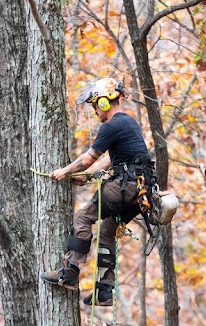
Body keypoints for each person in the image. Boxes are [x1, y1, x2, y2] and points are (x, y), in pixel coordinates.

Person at [39, 78, 154, 306]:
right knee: (107, 229)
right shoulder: (128, 124)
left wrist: (66, 171)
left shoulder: (110, 126)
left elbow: (89, 157)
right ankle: (104, 291)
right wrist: (88, 175)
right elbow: (111, 160)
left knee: (83, 217)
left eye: (94, 105)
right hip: (142, 189)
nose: (94, 111)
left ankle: (69, 271)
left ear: (103, 103)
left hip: (126, 184)